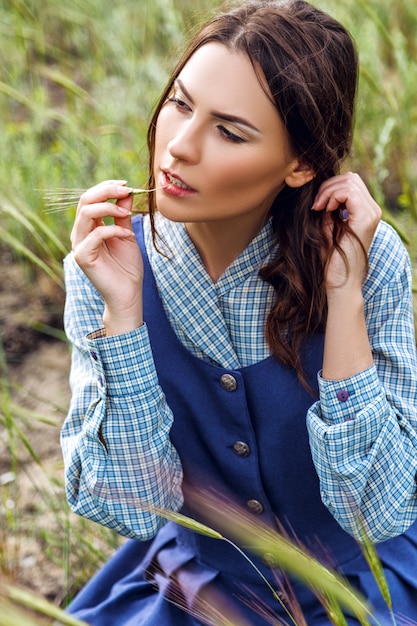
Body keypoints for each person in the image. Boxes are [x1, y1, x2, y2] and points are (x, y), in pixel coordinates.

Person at [61, 0, 417, 623]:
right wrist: (123, 315)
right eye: (179, 103)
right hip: (199, 595)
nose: (179, 146)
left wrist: (345, 298)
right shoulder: (108, 261)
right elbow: (136, 511)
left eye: (229, 130)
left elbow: (378, 512)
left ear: (300, 163)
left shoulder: (365, 254)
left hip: (367, 587)